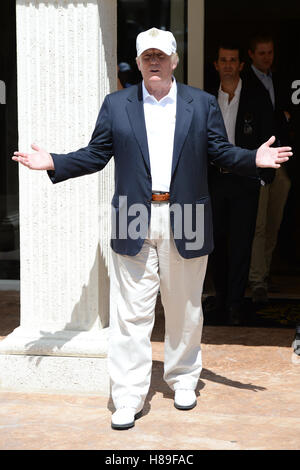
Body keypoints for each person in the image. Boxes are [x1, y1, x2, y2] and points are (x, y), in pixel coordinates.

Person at [12, 28, 292, 430]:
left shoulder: (201, 102)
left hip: (188, 218)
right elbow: (95, 154)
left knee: (186, 308)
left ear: (175, 60)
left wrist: (253, 159)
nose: (154, 62)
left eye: (161, 56)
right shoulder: (116, 104)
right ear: (140, 62)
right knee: (131, 315)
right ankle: (127, 395)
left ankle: (182, 379)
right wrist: (55, 162)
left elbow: (221, 152)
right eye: (147, 57)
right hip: (133, 216)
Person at [204, 43, 275, 325]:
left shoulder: (256, 97)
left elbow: (269, 135)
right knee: (217, 242)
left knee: (242, 244)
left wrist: (263, 176)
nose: (229, 65)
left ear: (241, 65)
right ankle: (220, 298)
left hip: (245, 179)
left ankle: (235, 302)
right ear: (216, 65)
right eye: (224, 60)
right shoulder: (207, 98)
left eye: (233, 60)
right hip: (215, 179)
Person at [243, 34, 292, 303]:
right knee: (258, 224)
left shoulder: (278, 79)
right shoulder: (246, 82)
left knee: (274, 221)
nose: (266, 57)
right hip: (256, 161)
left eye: (270, 52)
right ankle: (256, 279)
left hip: (280, 162)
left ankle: (265, 271)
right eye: (261, 53)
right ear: (251, 54)